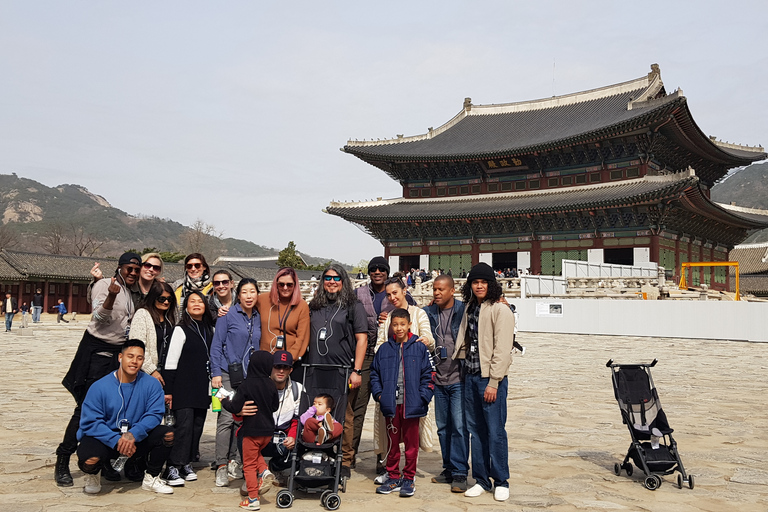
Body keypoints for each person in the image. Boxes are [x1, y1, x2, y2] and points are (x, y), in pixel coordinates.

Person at [55, 252, 143, 487]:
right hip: (96, 352)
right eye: (129, 269)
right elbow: (99, 317)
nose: (133, 273)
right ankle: (63, 458)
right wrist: (110, 297)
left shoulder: (130, 292)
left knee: (112, 409)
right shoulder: (105, 285)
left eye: (136, 269)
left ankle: (105, 461)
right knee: (85, 407)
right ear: (120, 268)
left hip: (118, 353)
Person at [76, 339, 174, 495]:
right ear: (120, 357)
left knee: (167, 434)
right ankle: (94, 475)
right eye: (130, 356)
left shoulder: (152, 384)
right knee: (89, 460)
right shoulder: (99, 386)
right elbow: (91, 422)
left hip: (135, 439)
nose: (134, 361)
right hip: (106, 439)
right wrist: (115, 440)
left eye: (139, 358)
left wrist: (133, 433)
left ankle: (152, 478)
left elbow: (155, 414)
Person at [453, 262, 513, 502]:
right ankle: (480, 479)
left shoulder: (501, 310)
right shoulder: (470, 307)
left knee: (495, 431)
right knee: (475, 431)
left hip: (490, 378)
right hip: (471, 375)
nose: (479, 286)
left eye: (483, 282)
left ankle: (501, 480)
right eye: (475, 282)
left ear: (491, 284)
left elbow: (503, 349)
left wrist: (494, 381)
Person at [307, 264, 367, 478]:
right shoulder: (314, 306)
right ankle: (315, 451)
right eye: (328, 278)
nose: (332, 282)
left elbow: (362, 339)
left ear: (344, 281)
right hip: (315, 368)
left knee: (344, 415)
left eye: (337, 278)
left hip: (342, 369)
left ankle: (345, 459)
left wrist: (356, 370)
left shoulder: (353, 306)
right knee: (315, 412)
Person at [372, 277, 435, 482]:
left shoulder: (418, 313)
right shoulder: (387, 317)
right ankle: (389, 471)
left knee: (411, 438)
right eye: (388, 294)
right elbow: (379, 345)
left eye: (395, 293)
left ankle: (409, 475)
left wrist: (423, 395)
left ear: (404, 290)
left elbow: (428, 338)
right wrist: (380, 393)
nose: (392, 297)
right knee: (390, 434)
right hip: (390, 384)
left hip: (412, 387)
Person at [210, 278, 261, 487]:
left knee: (244, 419)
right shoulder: (227, 315)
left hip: (250, 376)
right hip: (226, 373)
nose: (249, 296)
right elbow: (216, 346)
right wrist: (215, 373)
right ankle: (221, 466)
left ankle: (236, 461)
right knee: (226, 419)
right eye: (245, 292)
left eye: (253, 292)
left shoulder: (258, 316)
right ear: (237, 295)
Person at [162, 290, 214, 482]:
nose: (196, 304)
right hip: (183, 387)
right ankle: (172, 466)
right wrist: (168, 391)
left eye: (200, 301)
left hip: (202, 386)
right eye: (192, 301)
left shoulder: (209, 329)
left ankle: (186, 463)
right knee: (183, 426)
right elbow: (170, 362)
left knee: (197, 426)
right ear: (186, 307)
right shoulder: (180, 328)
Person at [424, 275, 469, 492]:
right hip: (438, 379)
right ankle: (449, 468)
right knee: (443, 428)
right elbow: (408, 313)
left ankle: (460, 472)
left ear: (453, 290)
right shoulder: (429, 312)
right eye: (434, 289)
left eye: (441, 289)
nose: (437, 293)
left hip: (459, 378)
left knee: (459, 427)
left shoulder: (463, 310)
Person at [220, 350, 279, 511]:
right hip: (267, 431)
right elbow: (275, 406)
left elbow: (235, 407)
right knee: (256, 455)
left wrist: (224, 400)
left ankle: (253, 498)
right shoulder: (271, 384)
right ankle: (265, 471)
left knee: (249, 465)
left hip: (251, 431)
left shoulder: (246, 385)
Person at [351, 256, 392, 471]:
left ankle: (383, 459)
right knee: (357, 406)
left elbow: (413, 314)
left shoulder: (396, 293)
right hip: (365, 355)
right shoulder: (358, 294)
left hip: (388, 356)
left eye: (381, 269)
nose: (377, 272)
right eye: (374, 269)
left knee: (386, 408)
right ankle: (349, 456)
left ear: (387, 272)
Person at [256, 267, 310, 365]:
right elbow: (244, 306)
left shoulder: (302, 305)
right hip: (264, 358)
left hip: (287, 361)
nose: (285, 288)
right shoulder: (262, 300)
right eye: (281, 284)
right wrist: (224, 309)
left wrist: (290, 359)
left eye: (289, 285)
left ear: (295, 285)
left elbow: (302, 337)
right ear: (276, 284)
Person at [128, 282, 178, 386]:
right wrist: (151, 370)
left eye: (169, 299)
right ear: (153, 298)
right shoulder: (142, 314)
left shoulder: (171, 318)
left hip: (167, 371)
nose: (166, 302)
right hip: (145, 372)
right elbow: (137, 346)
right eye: (161, 299)